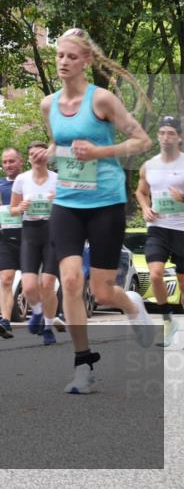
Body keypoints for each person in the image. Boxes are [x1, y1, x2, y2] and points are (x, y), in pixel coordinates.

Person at [34, 27, 154, 394]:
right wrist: (48, 153)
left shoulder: (100, 100)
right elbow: (60, 141)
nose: (64, 62)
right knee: (69, 280)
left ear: (86, 61)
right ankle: (83, 364)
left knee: (102, 291)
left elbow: (141, 140)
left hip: (105, 202)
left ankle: (131, 303)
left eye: (72, 56)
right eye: (60, 56)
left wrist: (100, 152)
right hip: (67, 203)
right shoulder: (48, 104)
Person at [135, 115, 184, 348]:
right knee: (155, 274)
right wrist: (145, 208)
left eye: (171, 133)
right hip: (158, 229)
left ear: (179, 137)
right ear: (158, 136)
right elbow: (141, 191)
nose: (166, 137)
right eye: (162, 132)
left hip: (182, 230)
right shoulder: (149, 165)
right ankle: (167, 321)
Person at [9, 141, 60, 345]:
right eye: (32, 155)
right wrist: (20, 207)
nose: (36, 158)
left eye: (40, 154)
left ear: (46, 156)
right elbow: (12, 209)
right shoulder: (21, 180)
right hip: (30, 233)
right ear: (28, 159)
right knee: (29, 287)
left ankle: (48, 328)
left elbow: (72, 202)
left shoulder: (57, 179)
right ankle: (37, 313)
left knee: (47, 285)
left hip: (52, 232)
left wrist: (58, 198)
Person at [0, 147, 24, 338]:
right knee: (6, 279)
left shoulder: (28, 181)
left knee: (33, 283)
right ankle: (5, 321)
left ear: (21, 161)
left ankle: (45, 317)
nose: (8, 165)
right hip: (4, 237)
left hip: (28, 237)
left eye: (11, 161)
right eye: (5, 162)